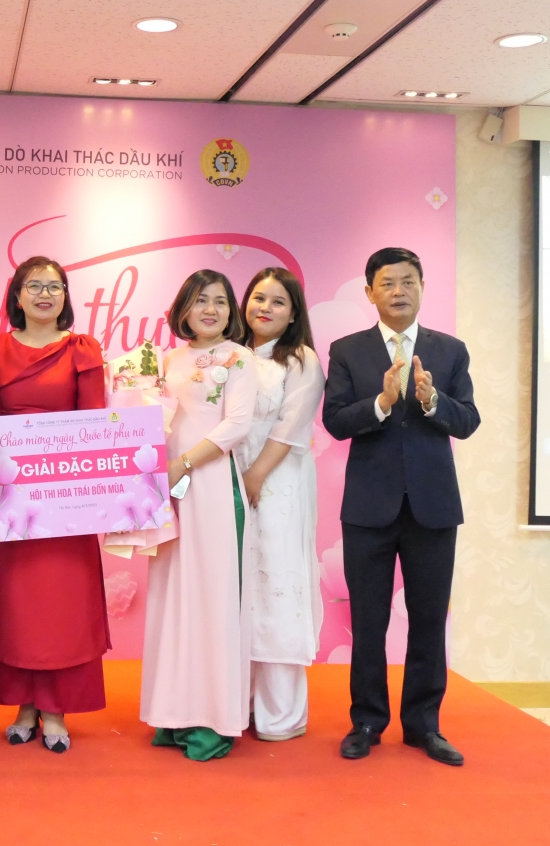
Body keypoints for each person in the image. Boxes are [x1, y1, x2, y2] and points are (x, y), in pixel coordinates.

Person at [323, 247, 479, 767]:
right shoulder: (348, 350)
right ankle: (367, 721)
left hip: (433, 507)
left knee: (429, 620)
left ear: (422, 287)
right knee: (367, 621)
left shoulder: (450, 351)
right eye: (387, 283)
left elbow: (468, 420)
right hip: (369, 507)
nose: (399, 291)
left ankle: (423, 725)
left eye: (408, 281)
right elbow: (335, 421)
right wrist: (382, 403)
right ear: (370, 292)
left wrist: (432, 401)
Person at [0, 256, 109, 754]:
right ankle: (24, 704)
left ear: (65, 296)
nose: (45, 294)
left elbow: (95, 422)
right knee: (13, 601)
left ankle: (54, 707)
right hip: (8, 493)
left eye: (54, 286)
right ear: (17, 295)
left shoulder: (82, 349)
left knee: (61, 603)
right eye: (34, 286)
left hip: (64, 497)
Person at [141, 269, 256, 761]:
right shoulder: (169, 359)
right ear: (183, 308)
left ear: (231, 312)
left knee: (212, 599)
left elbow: (237, 425)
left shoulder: (240, 358)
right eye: (201, 300)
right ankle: (174, 712)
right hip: (169, 488)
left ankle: (213, 718)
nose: (211, 309)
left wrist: (183, 464)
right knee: (174, 596)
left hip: (211, 488)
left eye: (221, 301)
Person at [235, 268, 325, 742]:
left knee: (275, 581)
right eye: (258, 297)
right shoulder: (229, 355)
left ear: (293, 314)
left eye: (277, 301)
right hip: (228, 478)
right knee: (238, 587)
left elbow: (291, 427)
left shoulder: (301, 360)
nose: (265, 308)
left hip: (278, 482)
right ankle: (236, 703)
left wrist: (254, 476)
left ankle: (280, 712)